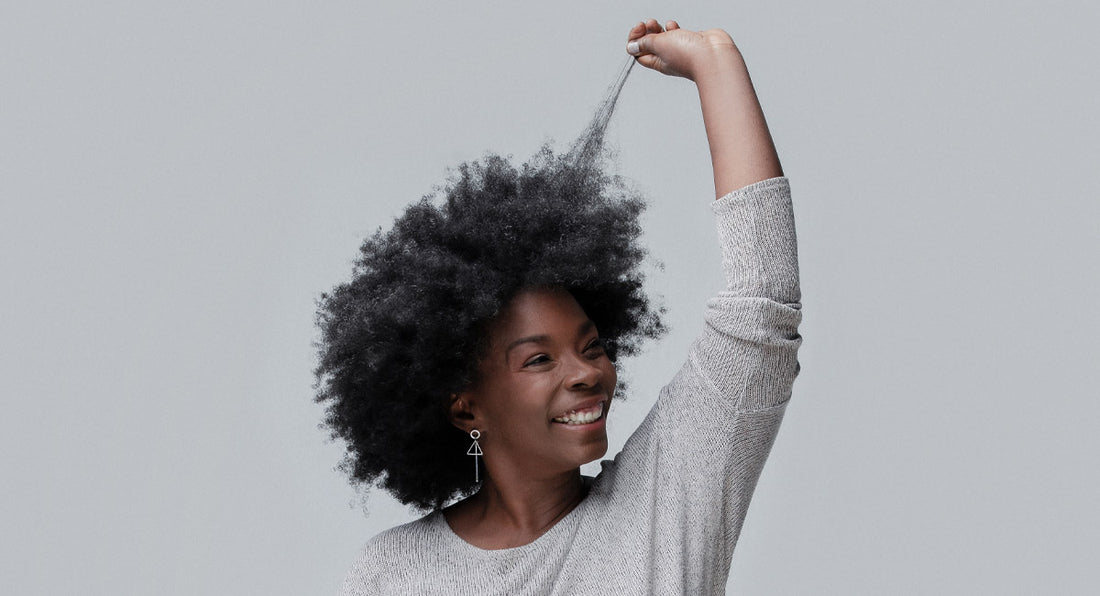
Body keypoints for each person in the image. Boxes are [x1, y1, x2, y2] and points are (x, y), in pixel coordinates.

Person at [317, 19, 802, 595]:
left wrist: (716, 63)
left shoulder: (667, 502)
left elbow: (761, 306)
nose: (587, 374)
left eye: (591, 345)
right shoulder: (395, 574)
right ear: (466, 410)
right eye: (539, 360)